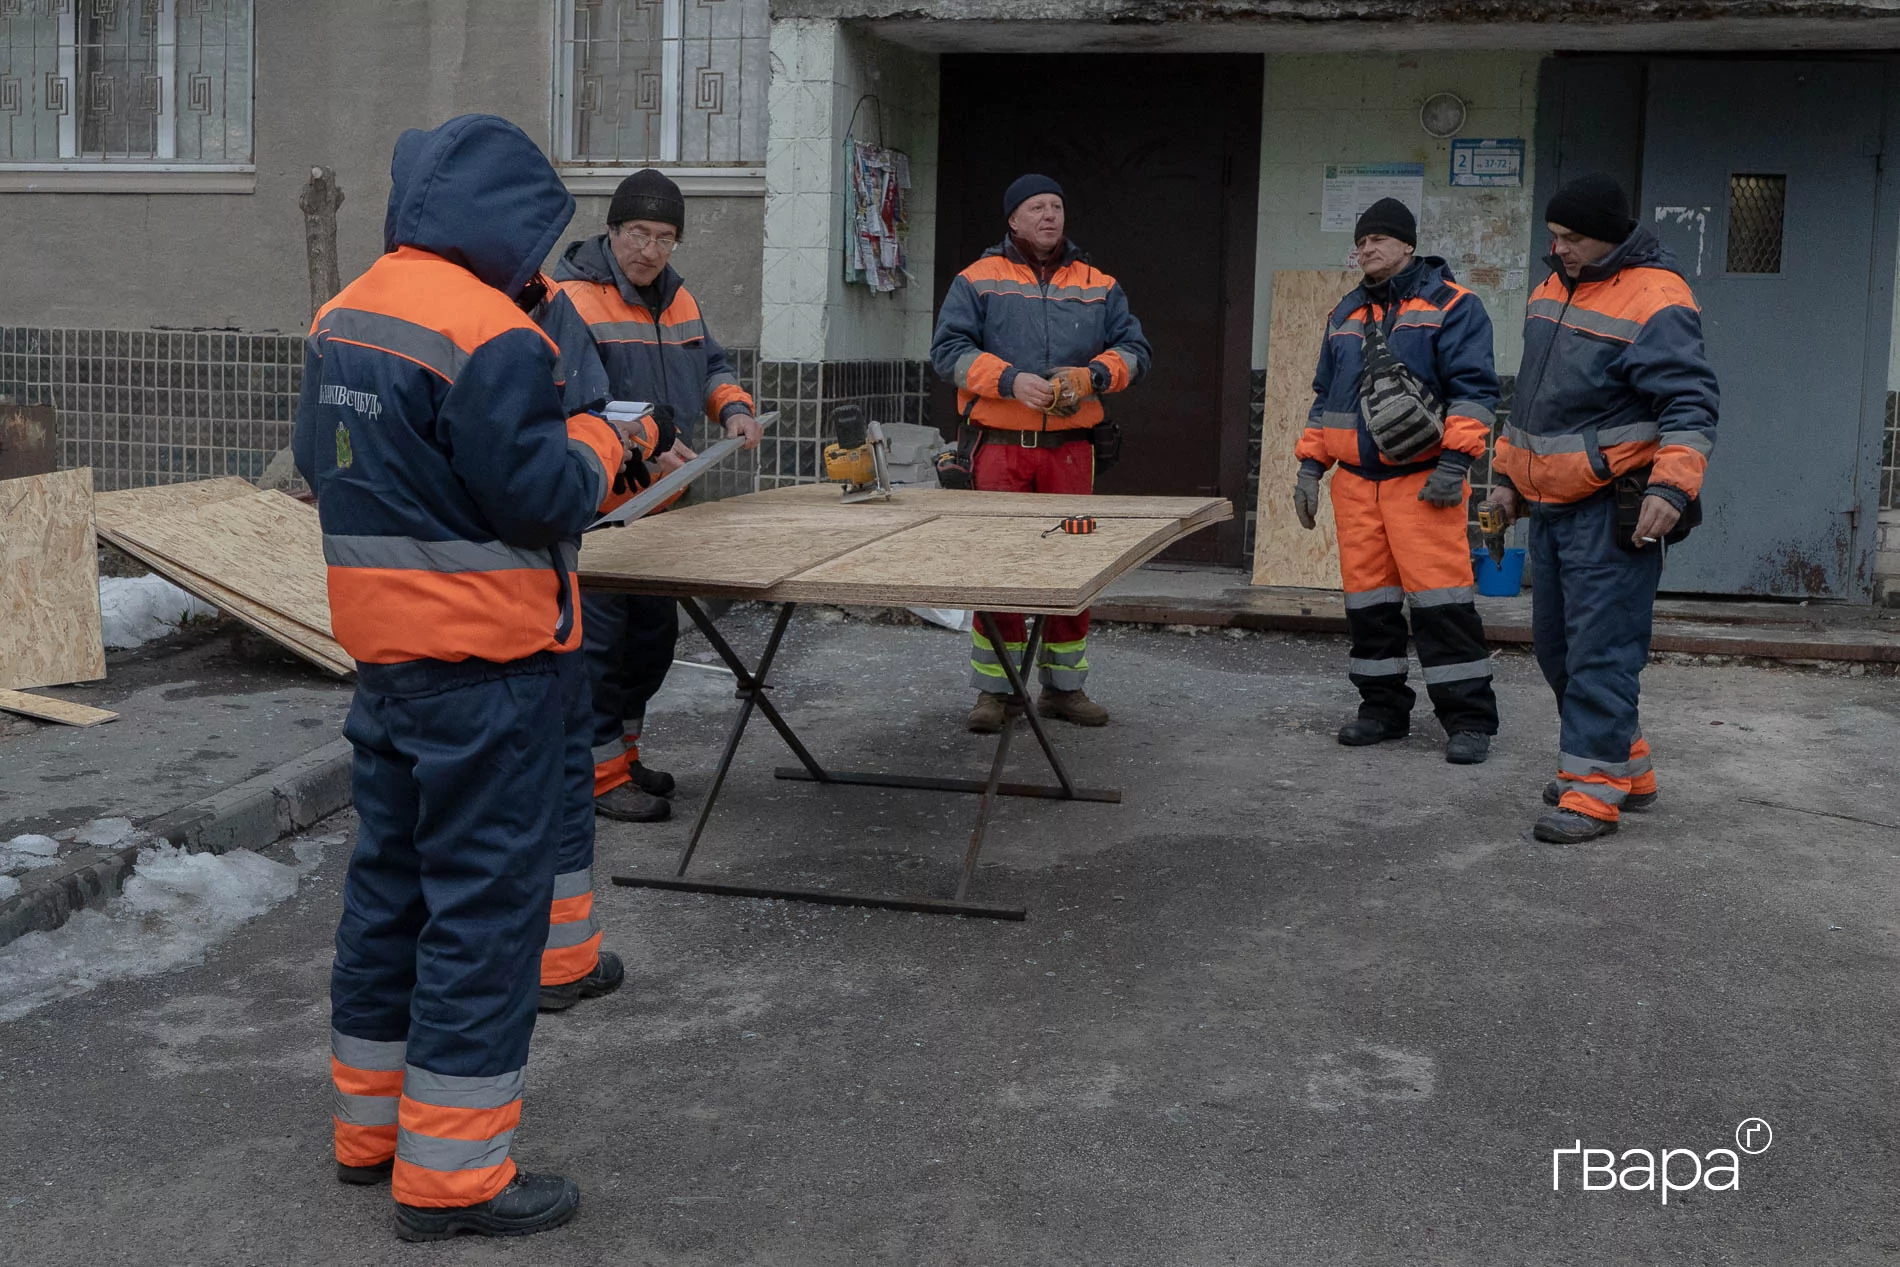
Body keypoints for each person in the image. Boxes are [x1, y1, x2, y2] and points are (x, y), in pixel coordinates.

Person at [296, 114, 656, 1241]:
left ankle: (370, 1131)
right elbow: (544, 497)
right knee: (484, 919)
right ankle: (452, 1178)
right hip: (491, 671)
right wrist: (604, 441)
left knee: (390, 895)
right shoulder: (491, 332)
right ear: (502, 221)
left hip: (387, 667)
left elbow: (319, 463)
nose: (541, 262)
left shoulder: (344, 314)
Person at [1489, 174, 1719, 843]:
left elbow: (1690, 403)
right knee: (1557, 649)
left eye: (1573, 238)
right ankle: (1627, 764)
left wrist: (1670, 489)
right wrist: (1506, 479)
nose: (1559, 248)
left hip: (1609, 507)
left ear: (1610, 235)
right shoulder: (1551, 287)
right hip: (1549, 504)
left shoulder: (1657, 298)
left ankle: (1592, 793)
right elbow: (1531, 403)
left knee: (1600, 653)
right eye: (1554, 236)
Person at [551, 169, 762, 824]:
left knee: (650, 644)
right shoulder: (570, 300)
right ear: (611, 230)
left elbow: (712, 365)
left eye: (664, 238)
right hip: (597, 512)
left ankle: (626, 757)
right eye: (638, 233)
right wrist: (645, 442)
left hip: (659, 511)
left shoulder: (680, 299)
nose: (649, 250)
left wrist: (734, 408)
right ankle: (598, 779)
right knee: (598, 654)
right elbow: (571, 403)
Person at [930, 174, 1151, 733]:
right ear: (1013, 220)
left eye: (1056, 206)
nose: (1050, 215)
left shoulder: (1101, 285)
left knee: (1071, 566)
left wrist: (1092, 376)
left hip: (1070, 453)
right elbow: (948, 353)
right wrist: (1010, 381)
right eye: (1036, 207)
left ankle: (1063, 689)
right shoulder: (976, 280)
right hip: (998, 450)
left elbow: (1135, 351)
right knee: (998, 567)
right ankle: (996, 692)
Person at [1294, 197, 1501, 764]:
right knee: (1369, 607)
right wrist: (1310, 467)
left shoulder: (1454, 305)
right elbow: (1325, 399)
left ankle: (1469, 721)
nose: (1367, 249)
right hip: (1356, 486)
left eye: (1379, 239)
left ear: (1408, 244)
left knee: (1443, 605)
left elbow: (1475, 392)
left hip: (1424, 482)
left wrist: (1455, 465)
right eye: (1361, 242)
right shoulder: (1344, 313)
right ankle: (1382, 711)